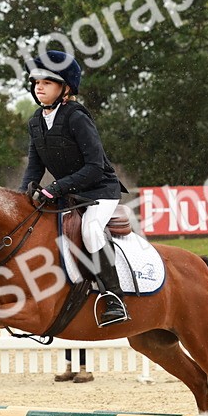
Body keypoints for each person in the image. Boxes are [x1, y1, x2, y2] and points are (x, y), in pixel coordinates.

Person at [22, 50, 129, 327]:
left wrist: (56, 188)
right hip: (69, 193)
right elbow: (34, 168)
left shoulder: (76, 117)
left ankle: (114, 298)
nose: (39, 87)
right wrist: (22, 198)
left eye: (47, 82)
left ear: (65, 88)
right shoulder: (35, 121)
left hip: (100, 190)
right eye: (37, 82)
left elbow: (95, 166)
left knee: (90, 229)